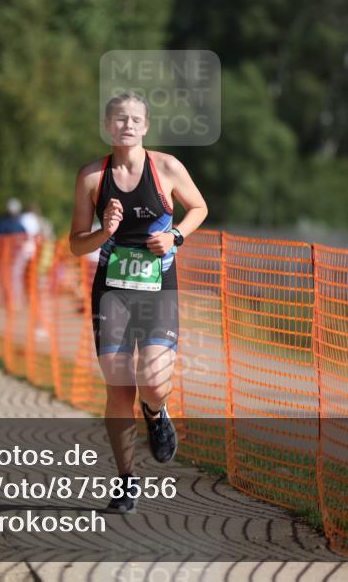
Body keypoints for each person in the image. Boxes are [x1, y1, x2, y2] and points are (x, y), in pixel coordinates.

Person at [69, 91, 208, 514]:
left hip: (157, 287)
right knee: (118, 386)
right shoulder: (93, 177)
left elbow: (199, 207)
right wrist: (104, 231)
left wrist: (175, 236)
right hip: (112, 289)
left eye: (135, 119)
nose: (127, 125)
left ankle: (157, 410)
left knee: (152, 381)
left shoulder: (166, 168)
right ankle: (127, 481)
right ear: (107, 126)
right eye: (119, 119)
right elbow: (76, 244)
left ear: (145, 126)